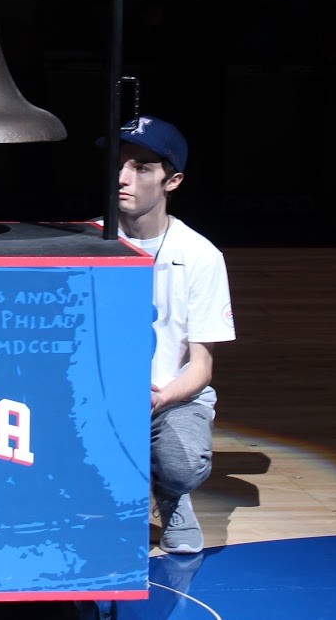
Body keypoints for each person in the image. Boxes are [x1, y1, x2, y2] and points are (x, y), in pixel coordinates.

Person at [112, 116, 236, 555]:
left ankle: (172, 496)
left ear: (173, 181)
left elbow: (201, 366)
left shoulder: (200, 256)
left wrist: (159, 398)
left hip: (170, 398)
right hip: (96, 396)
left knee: (182, 464)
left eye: (141, 168)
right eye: (118, 164)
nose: (123, 177)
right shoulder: (85, 241)